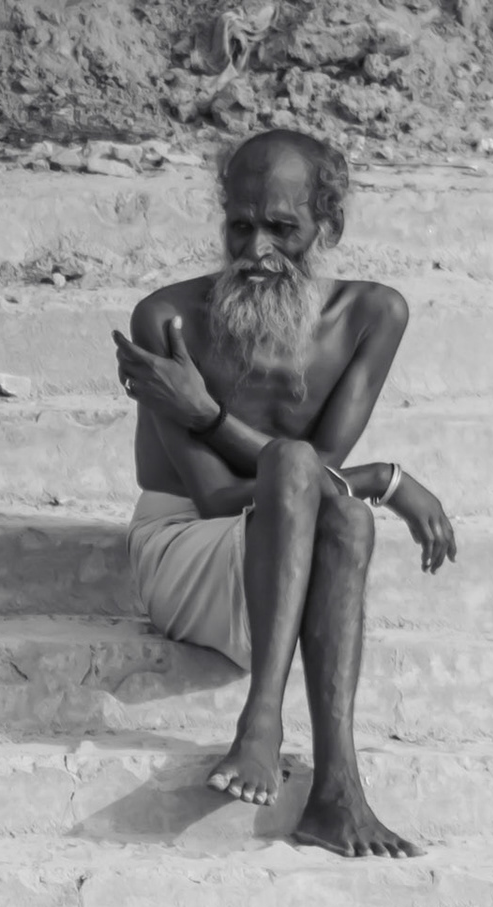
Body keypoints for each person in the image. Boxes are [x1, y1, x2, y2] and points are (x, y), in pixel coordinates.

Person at [112, 128, 455, 859]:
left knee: (349, 523)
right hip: (187, 550)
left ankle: (337, 793)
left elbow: (314, 477)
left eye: (282, 228)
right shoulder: (166, 319)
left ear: (326, 226)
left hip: (288, 545)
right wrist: (385, 479)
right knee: (329, 495)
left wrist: (206, 413)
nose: (257, 250)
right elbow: (213, 496)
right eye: (241, 224)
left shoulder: (373, 315)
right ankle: (261, 720)